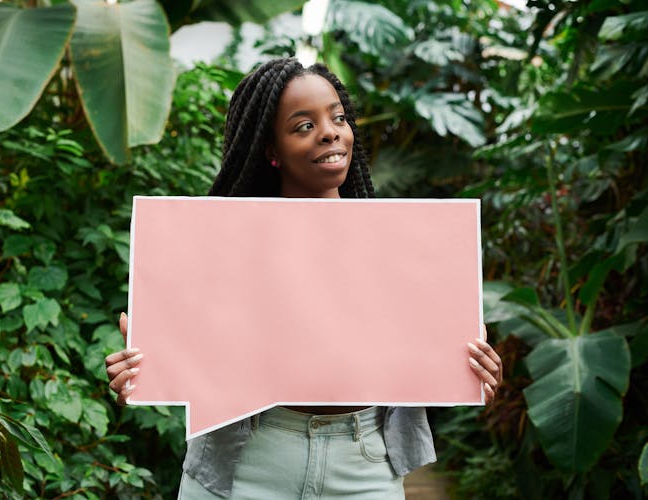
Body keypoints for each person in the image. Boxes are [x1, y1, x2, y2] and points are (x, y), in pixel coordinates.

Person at [105, 57, 502, 499]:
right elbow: (194, 355)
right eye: (303, 126)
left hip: (364, 467)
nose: (331, 131)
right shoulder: (225, 245)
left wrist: (471, 370)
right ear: (271, 150)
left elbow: (421, 359)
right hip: (247, 460)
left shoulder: (398, 244)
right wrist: (145, 373)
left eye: (338, 118)